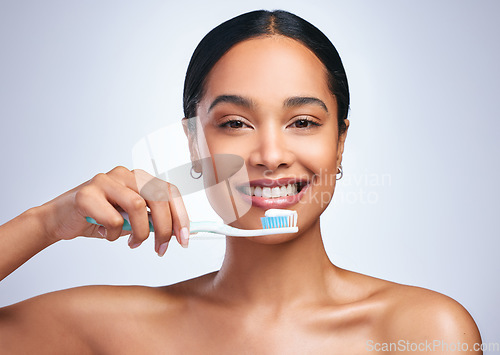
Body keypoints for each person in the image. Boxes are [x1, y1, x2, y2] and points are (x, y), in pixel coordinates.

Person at [0, 10, 482, 354]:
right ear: (193, 145)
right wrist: (46, 222)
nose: (271, 156)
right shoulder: (108, 329)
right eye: (234, 123)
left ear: (339, 144)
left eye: (304, 123)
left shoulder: (424, 333)